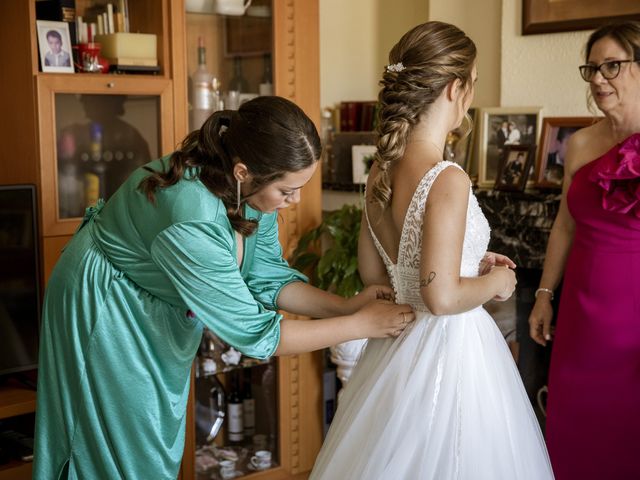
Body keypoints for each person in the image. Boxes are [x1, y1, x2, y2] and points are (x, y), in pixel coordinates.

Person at [32, 96, 415, 479]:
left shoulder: (248, 193)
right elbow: (258, 335)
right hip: (108, 303)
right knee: (117, 450)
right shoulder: (190, 217)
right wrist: (365, 324)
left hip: (156, 303)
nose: (295, 200)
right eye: (287, 190)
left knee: (150, 442)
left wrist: (346, 306)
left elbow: (267, 278)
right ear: (244, 171)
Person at [310, 21, 553, 479]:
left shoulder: (381, 171)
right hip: (452, 351)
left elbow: (376, 275)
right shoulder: (447, 177)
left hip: (398, 348)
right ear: (455, 87)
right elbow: (441, 298)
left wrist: (469, 264)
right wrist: (496, 281)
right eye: (473, 84)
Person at [529, 21, 640, 480]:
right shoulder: (580, 143)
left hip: (634, 319)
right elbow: (564, 226)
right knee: (575, 432)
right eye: (592, 69)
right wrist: (543, 295)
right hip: (581, 316)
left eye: (612, 65)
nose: (598, 79)